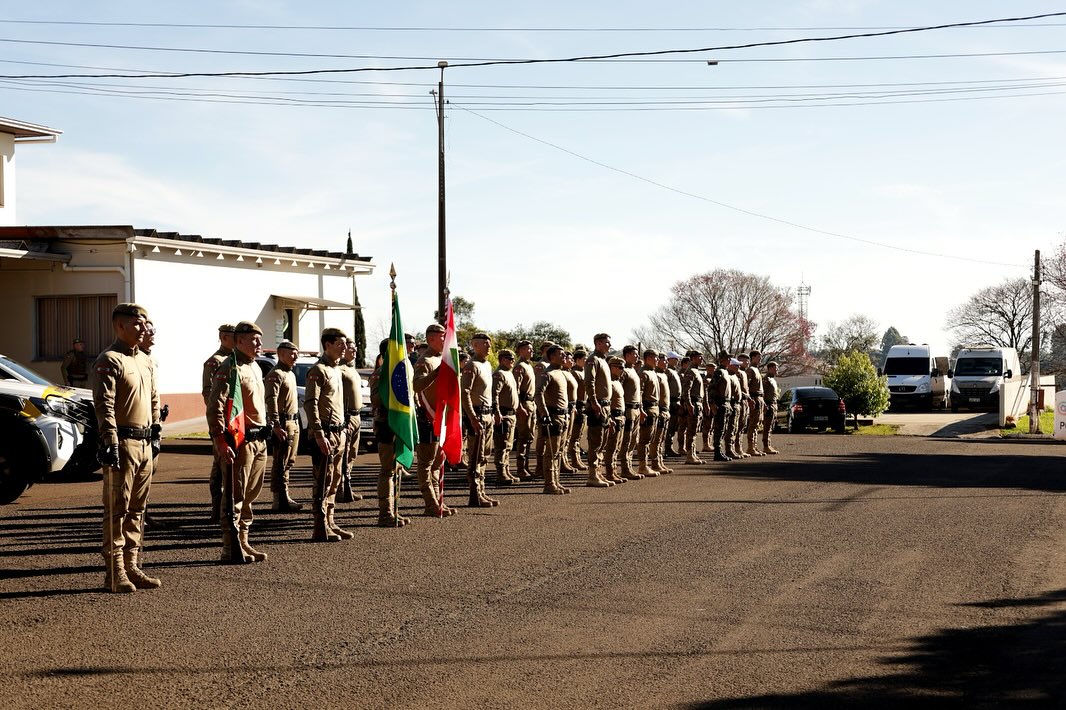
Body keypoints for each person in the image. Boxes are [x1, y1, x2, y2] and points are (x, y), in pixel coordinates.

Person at [92, 302, 162, 592]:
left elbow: (154, 399)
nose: (143, 328)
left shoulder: (145, 360)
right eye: (137, 323)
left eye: (144, 323)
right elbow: (104, 405)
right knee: (117, 509)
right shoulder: (110, 359)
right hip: (123, 443)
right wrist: (109, 441)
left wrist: (156, 431)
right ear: (120, 326)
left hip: (145, 443)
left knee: (137, 509)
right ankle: (115, 571)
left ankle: (132, 566)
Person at [208, 321, 272, 563]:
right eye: (254, 339)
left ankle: (243, 540)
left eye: (259, 339)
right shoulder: (230, 367)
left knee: (249, 495)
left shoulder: (254, 367)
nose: (259, 343)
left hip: (258, 440)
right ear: (239, 340)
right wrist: (219, 440)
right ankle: (229, 545)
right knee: (235, 495)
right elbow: (215, 406)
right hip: (240, 441)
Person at [304, 327, 353, 542]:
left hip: (339, 432)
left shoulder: (336, 369)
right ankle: (320, 525)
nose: (344, 348)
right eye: (340, 344)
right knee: (323, 480)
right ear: (327, 345)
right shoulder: (318, 370)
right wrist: (318, 433)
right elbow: (310, 403)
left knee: (335, 480)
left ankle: (331, 521)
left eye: (345, 344)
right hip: (325, 433)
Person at [412, 323, 457, 517]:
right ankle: (430, 503)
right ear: (431, 339)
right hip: (429, 418)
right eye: (442, 337)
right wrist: (435, 373)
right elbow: (417, 385)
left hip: (442, 418)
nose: (445, 340)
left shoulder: (444, 359)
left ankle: (438, 501)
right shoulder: (425, 361)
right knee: (426, 464)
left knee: (439, 463)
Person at [368, 339, 410, 527]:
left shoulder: (401, 372)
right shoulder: (380, 374)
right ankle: (385, 513)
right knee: (387, 471)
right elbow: (376, 400)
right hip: (386, 425)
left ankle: (394, 511)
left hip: (399, 425)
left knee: (396, 470)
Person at [264, 340, 303, 512]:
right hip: (282, 423)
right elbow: (270, 400)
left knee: (289, 461)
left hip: (293, 422)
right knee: (280, 462)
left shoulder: (290, 374)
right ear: (281, 354)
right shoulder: (276, 374)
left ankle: (284, 496)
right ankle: (278, 499)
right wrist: (275, 424)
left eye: (297, 353)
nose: (295, 356)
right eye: (292, 353)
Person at [461, 333, 499, 507]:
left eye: (489, 343)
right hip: (477, 415)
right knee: (476, 456)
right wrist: (472, 417)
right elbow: (465, 393)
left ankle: (481, 491)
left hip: (487, 415)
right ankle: (475, 494)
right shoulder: (471, 365)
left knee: (484, 456)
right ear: (475, 346)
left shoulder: (487, 365)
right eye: (485, 343)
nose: (489, 346)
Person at [202, 324, 236, 524]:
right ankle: (217, 507)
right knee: (220, 466)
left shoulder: (236, 360)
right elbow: (209, 394)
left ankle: (228, 506)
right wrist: (220, 420)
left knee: (232, 465)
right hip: (222, 422)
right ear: (224, 338)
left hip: (236, 422)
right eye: (233, 337)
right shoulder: (214, 362)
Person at [535, 345, 572, 494]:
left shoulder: (560, 372)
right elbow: (538, 393)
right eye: (560, 354)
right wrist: (544, 413)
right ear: (552, 357)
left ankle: (556, 481)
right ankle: (549, 484)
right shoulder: (547, 373)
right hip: (553, 416)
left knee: (559, 452)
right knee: (551, 452)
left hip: (563, 416)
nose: (564, 357)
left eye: (564, 354)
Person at [583, 333, 614, 487]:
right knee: (596, 441)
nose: (610, 345)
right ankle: (592, 475)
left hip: (605, 406)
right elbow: (589, 382)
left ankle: (599, 472)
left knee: (602, 442)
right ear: (598, 343)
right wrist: (594, 401)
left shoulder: (603, 360)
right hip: (597, 405)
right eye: (607, 342)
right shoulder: (593, 360)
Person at [337, 340, 366, 503]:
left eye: (356, 348)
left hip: (357, 416)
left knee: (352, 454)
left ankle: (347, 486)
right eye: (351, 348)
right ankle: (340, 488)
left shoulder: (351, 369)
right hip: (346, 416)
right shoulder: (339, 369)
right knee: (344, 454)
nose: (354, 351)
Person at [492, 349, 520, 486]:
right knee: (501, 445)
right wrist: (497, 412)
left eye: (513, 358)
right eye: (510, 358)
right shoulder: (499, 374)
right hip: (503, 414)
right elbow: (494, 394)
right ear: (502, 359)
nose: (513, 361)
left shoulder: (509, 373)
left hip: (511, 414)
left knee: (508, 446)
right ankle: (500, 472)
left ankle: (506, 470)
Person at [512, 340, 538, 481]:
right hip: (524, 403)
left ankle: (526, 467)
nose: (531, 351)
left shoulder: (528, 365)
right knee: (523, 437)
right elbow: (515, 388)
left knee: (529, 436)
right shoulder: (519, 367)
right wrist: (519, 406)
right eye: (529, 349)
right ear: (521, 350)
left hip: (531, 403)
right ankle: (521, 468)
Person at [615, 345, 641, 483]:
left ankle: (629, 466)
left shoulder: (633, 370)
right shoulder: (624, 371)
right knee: (626, 440)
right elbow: (618, 390)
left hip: (636, 409)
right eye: (634, 354)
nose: (637, 356)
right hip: (628, 409)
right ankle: (624, 468)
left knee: (633, 440)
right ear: (627, 355)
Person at [635, 349, 661, 479]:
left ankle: (653, 464)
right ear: (649, 358)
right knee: (644, 440)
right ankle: (642, 465)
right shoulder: (643, 373)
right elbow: (639, 393)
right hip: (647, 409)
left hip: (654, 409)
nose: (658, 360)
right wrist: (641, 410)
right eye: (656, 358)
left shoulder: (652, 372)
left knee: (651, 439)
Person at [600, 357, 626, 485]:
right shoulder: (608, 382)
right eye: (620, 368)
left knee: (616, 447)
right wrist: (609, 418)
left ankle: (614, 471)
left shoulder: (617, 382)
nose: (622, 370)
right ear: (613, 368)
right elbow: (607, 402)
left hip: (621, 417)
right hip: (614, 417)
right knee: (610, 447)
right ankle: (609, 472)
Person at [566, 349, 589, 471]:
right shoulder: (574, 373)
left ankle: (577, 458)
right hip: (577, 405)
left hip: (583, 405)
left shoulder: (583, 372)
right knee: (574, 435)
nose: (586, 361)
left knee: (578, 434)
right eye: (584, 358)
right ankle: (574, 459)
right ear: (578, 359)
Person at [680, 350, 705, 465]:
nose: (701, 359)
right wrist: (689, 403)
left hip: (698, 403)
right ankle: (690, 455)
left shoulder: (696, 370)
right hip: (693, 403)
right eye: (700, 357)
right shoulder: (690, 371)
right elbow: (686, 389)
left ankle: (693, 453)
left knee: (694, 430)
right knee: (691, 431)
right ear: (693, 358)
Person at [709, 351, 733, 462]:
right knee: (719, 429)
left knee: (724, 429)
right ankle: (717, 452)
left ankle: (720, 451)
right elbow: (712, 388)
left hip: (726, 403)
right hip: (720, 404)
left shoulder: (725, 372)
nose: (729, 360)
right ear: (722, 359)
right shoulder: (719, 372)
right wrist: (712, 403)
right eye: (727, 358)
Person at [652, 352, 673, 474]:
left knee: (661, 439)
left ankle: (660, 461)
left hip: (665, 410)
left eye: (666, 361)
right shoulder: (656, 375)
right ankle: (655, 462)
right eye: (664, 360)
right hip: (659, 410)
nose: (666, 363)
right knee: (656, 439)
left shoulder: (663, 375)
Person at [745, 350, 766, 456]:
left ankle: (754, 446)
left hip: (759, 398)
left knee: (757, 424)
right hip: (754, 398)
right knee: (753, 424)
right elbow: (746, 386)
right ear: (752, 357)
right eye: (758, 357)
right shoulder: (750, 370)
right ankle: (750, 447)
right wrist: (749, 399)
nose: (760, 359)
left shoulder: (756, 369)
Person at [663, 351, 682, 457]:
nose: (677, 361)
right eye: (675, 359)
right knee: (669, 426)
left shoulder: (674, 371)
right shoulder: (668, 371)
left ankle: (669, 447)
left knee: (673, 426)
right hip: (671, 401)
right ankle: (667, 448)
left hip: (676, 402)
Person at [762, 361, 781, 455]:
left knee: (770, 426)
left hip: (773, 405)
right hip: (768, 405)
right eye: (775, 368)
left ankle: (768, 445)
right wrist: (764, 405)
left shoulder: (773, 380)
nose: (777, 370)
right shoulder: (766, 379)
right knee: (767, 427)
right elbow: (763, 393)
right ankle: (766, 446)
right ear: (770, 368)